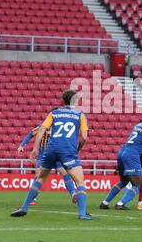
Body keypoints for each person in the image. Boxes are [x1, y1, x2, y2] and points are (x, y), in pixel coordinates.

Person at [11, 90, 92, 220]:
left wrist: (35, 149)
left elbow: (42, 129)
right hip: (67, 151)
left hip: (51, 150)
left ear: (63, 101)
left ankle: (24, 207)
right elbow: (84, 138)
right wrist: (78, 149)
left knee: (40, 179)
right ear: (75, 100)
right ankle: (82, 214)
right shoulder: (79, 115)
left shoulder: (54, 113)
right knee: (79, 181)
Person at [99, 109, 142, 210]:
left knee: (124, 181)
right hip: (132, 154)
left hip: (122, 152)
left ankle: (105, 202)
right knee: (138, 185)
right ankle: (120, 204)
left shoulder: (137, 126)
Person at [17, 124, 76, 205]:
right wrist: (22, 145)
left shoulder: (60, 127)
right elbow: (31, 133)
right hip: (43, 156)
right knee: (38, 174)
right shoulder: (42, 127)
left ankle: (73, 194)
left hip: (56, 155)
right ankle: (32, 198)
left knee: (65, 172)